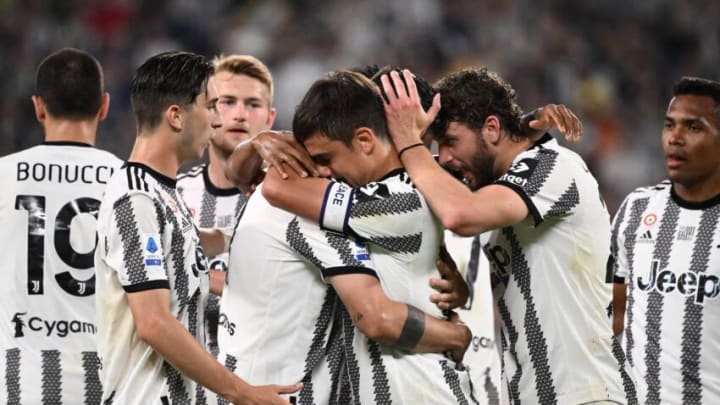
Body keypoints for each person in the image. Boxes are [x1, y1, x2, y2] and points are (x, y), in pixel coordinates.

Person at [218, 70, 474, 404]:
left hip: (425, 391)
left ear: (365, 139)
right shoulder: (380, 193)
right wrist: (258, 143)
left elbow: (377, 318)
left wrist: (459, 335)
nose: (320, 171)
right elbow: (240, 174)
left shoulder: (398, 202)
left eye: (323, 159)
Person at [379, 68, 626, 404]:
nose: (445, 158)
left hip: (583, 394)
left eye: (450, 141)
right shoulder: (495, 187)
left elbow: (459, 214)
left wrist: (410, 141)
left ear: (492, 128)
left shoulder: (552, 166)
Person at [93, 51, 299, 405]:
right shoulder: (136, 199)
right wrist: (243, 392)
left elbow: (200, 244)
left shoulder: (162, 192)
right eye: (211, 106)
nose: (218, 121)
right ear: (176, 116)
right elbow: (154, 323)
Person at [0, 48, 121, 404]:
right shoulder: (129, 183)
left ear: (38, 106)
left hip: (21, 382)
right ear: (104, 106)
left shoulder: (3, 176)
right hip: (109, 381)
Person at [611, 77, 720, 404]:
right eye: (669, 125)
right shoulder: (636, 209)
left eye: (693, 127)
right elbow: (613, 314)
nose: (675, 137)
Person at [177, 54, 276, 358]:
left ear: (270, 118)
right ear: (207, 113)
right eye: (227, 101)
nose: (240, 114)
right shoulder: (175, 193)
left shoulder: (289, 200)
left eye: (253, 104)